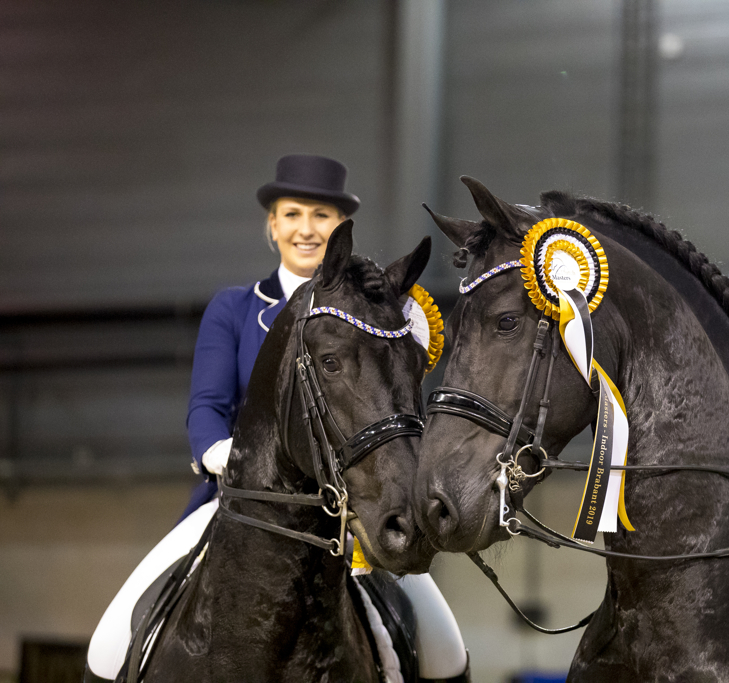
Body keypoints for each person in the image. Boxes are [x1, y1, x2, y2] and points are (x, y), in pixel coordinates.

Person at [86, 155, 469, 682]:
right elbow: (206, 407)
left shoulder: (375, 319)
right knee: (108, 646)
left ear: (340, 231)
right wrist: (226, 454)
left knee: (446, 650)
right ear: (272, 226)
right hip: (237, 501)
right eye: (292, 214)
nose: (306, 229)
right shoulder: (237, 308)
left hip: (350, 513)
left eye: (321, 216)